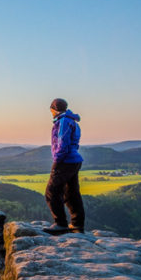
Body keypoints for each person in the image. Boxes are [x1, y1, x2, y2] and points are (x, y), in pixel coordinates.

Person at [45, 98, 85, 233]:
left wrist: (57, 159)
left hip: (65, 161)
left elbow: (62, 142)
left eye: (51, 110)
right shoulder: (73, 121)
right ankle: (77, 225)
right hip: (74, 161)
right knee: (71, 193)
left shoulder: (63, 122)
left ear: (54, 109)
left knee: (52, 192)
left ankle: (60, 223)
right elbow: (75, 142)